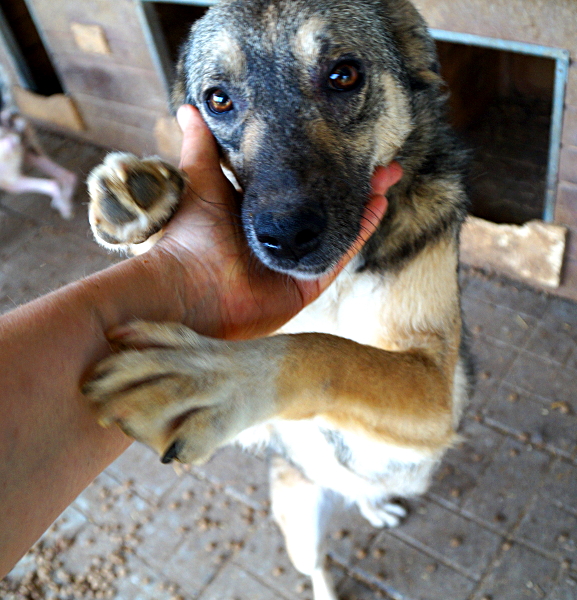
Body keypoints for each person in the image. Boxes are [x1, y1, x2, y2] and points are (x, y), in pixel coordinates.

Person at [0, 105, 402, 577]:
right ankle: (317, 581)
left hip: (369, 447)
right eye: (221, 103)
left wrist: (182, 280)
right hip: (306, 452)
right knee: (308, 551)